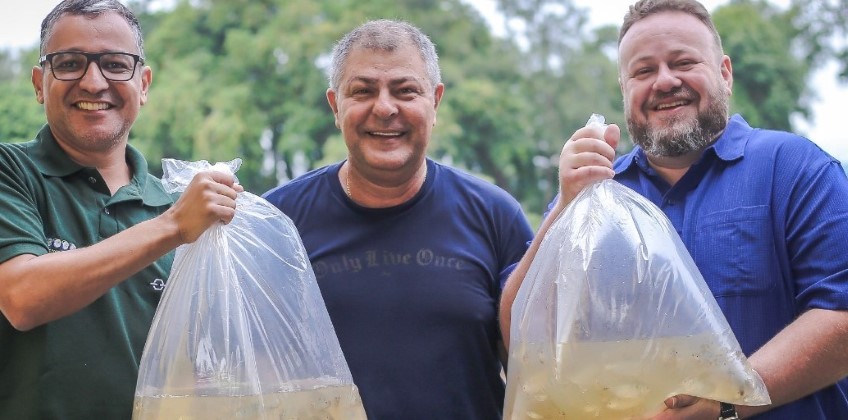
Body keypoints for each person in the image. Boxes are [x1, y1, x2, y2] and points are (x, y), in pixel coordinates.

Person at [500, 0, 848, 419]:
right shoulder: (592, 193)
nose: (665, 81)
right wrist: (565, 204)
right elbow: (521, 336)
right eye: (643, 71)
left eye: (683, 62)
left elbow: (841, 314)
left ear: (725, 73)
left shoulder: (795, 169)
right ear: (624, 89)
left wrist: (727, 402)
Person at [262, 19, 534, 420]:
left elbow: (537, 374)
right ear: (336, 106)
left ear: (435, 102)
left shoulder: (496, 216)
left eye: (405, 90)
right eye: (363, 91)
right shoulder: (276, 223)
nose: (385, 108)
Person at [0, 1, 242, 418]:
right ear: (40, 84)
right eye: (69, 64)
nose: (94, 83)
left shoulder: (179, 206)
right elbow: (22, 298)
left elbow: (207, 364)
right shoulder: (12, 171)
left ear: (143, 84)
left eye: (115, 64)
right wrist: (172, 227)